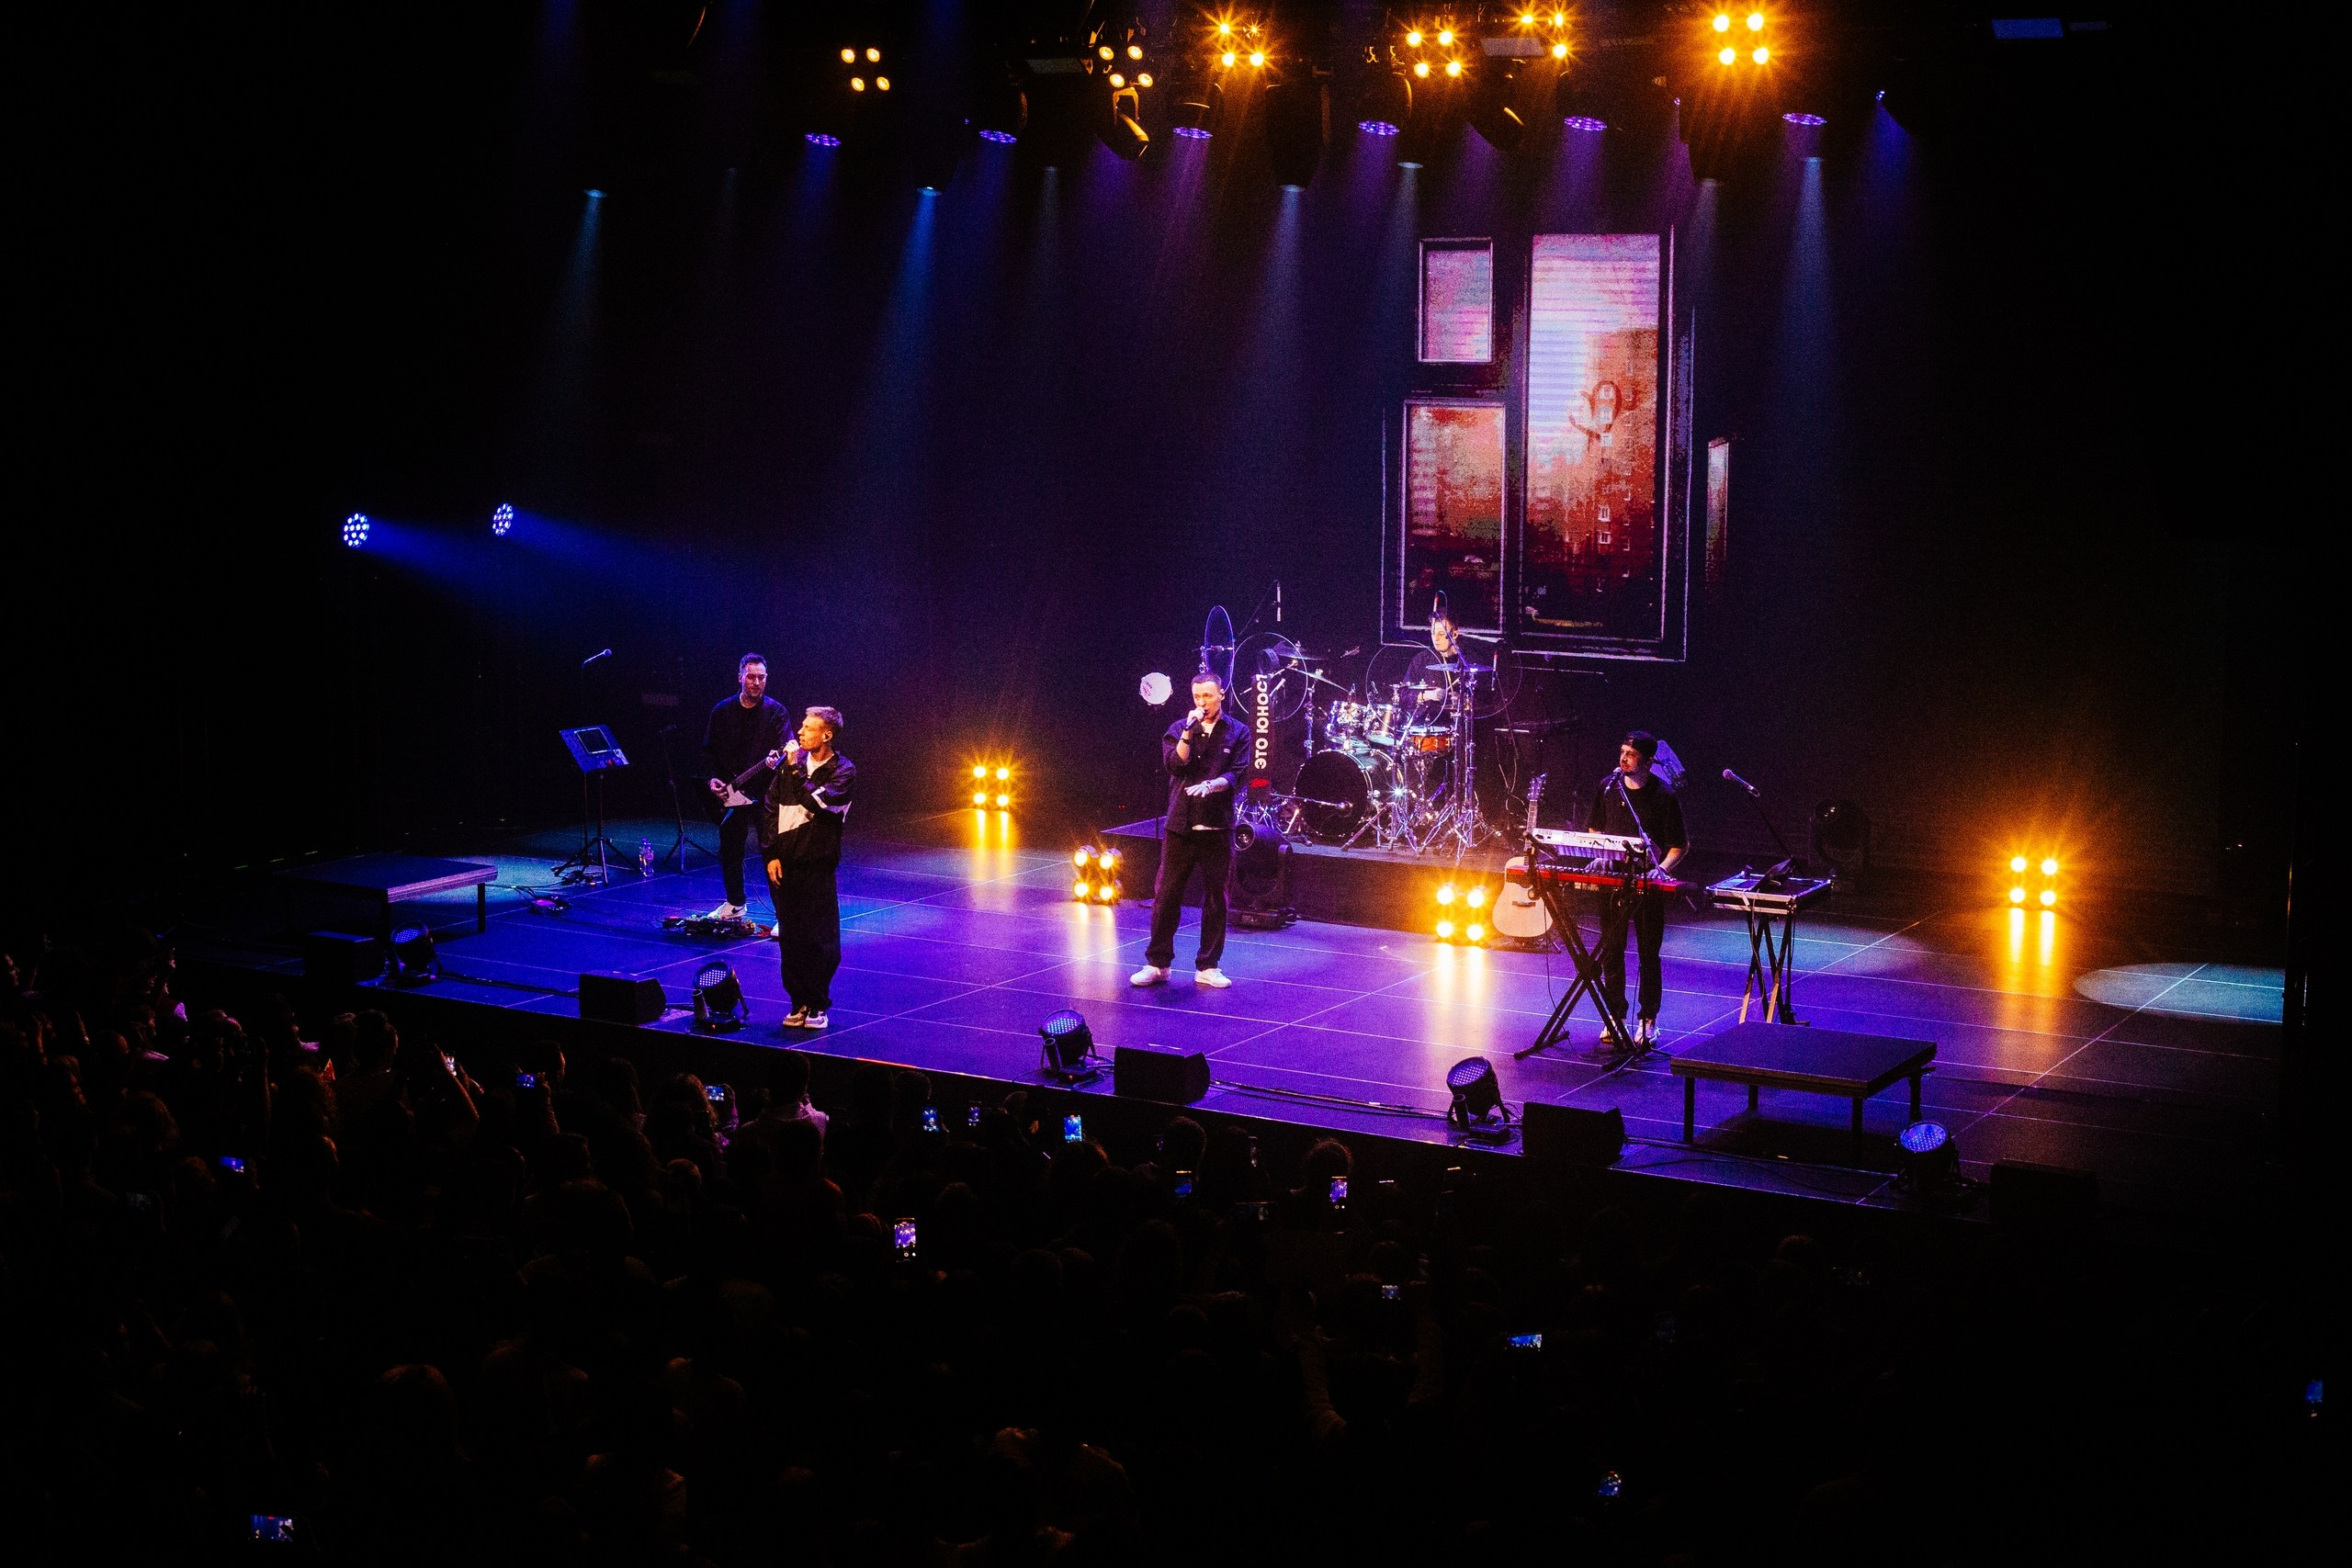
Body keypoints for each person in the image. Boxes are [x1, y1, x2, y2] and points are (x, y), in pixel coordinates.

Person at [1132, 671, 1246, 989]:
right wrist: (1187, 731)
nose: (1202, 702)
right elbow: (1175, 765)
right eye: (1197, 696)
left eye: (1208, 696)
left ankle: (1208, 966)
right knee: (1166, 895)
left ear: (1221, 695)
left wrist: (1212, 785)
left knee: (1216, 898)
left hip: (1217, 825)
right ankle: (1158, 963)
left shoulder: (1238, 731)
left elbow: (1238, 774)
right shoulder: (1179, 728)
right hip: (1181, 824)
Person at [1585, 729, 1687, 1048]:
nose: (1623, 759)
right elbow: (1595, 827)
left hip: (1647, 882)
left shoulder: (1663, 795)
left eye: (1631, 754)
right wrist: (1602, 854)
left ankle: (1648, 1020)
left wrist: (1661, 870)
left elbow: (1679, 845)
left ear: (1647, 761)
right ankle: (1614, 1015)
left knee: (1648, 954)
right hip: (1614, 880)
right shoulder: (1607, 787)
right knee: (1611, 951)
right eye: (1622, 752)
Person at [763, 706, 854, 1030]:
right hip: (785, 864)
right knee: (791, 938)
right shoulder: (791, 766)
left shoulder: (842, 770)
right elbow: (770, 808)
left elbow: (816, 802)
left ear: (826, 735)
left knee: (820, 939)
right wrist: (771, 854)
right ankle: (798, 1001)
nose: (799, 733)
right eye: (801, 726)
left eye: (808, 728)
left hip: (817, 865)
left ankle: (817, 1003)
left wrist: (793, 769)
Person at [700, 653, 789, 920]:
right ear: (740, 677)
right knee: (729, 849)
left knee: (772, 852)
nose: (757, 682)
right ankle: (735, 903)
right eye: (751, 677)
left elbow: (786, 748)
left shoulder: (776, 712)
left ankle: (784, 916)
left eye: (762, 677)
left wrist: (776, 761)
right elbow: (708, 752)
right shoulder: (722, 711)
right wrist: (712, 779)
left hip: (765, 793)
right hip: (732, 791)